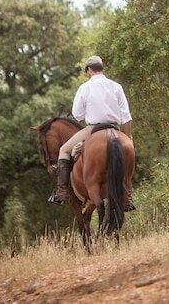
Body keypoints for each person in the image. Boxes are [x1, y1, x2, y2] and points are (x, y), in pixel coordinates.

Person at [52, 56, 135, 209]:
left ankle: (62, 190)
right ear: (102, 68)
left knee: (64, 150)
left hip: (93, 128)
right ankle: (127, 193)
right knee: (128, 151)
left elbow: (77, 115)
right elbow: (126, 116)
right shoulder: (116, 86)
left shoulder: (84, 87)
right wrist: (128, 137)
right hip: (114, 127)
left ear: (89, 70)